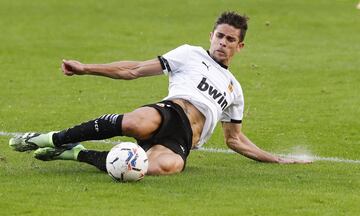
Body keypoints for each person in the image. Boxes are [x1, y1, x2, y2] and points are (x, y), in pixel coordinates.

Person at [9, 11, 311, 176]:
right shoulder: (190, 54)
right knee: (136, 123)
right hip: (169, 113)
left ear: (239, 46)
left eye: (230, 39)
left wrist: (278, 160)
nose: (222, 42)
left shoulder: (236, 90)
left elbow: (235, 140)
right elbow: (134, 69)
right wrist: (86, 67)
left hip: (181, 142)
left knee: (160, 168)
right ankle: (53, 138)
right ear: (211, 35)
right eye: (219, 35)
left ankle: (76, 153)